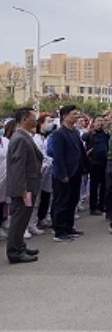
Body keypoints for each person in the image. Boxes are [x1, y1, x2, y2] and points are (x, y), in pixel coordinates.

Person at [5, 108, 42, 264]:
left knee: (23, 219)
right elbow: (18, 166)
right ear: (25, 119)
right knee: (18, 220)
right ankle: (14, 252)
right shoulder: (20, 138)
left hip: (28, 185)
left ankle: (20, 246)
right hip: (24, 187)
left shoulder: (24, 136)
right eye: (33, 117)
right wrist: (22, 188)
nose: (36, 120)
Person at [49, 105, 87, 242]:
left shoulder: (75, 132)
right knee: (62, 202)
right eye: (73, 114)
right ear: (65, 116)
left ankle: (69, 227)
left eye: (77, 114)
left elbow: (80, 151)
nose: (77, 116)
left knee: (72, 201)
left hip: (76, 172)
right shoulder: (59, 134)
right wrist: (62, 174)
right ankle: (59, 231)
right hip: (64, 174)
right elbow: (58, 156)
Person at [83, 116, 110, 216]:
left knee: (104, 185)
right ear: (93, 123)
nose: (100, 123)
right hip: (93, 163)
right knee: (94, 185)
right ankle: (93, 207)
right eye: (98, 121)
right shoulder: (89, 135)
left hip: (104, 162)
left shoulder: (106, 135)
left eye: (102, 121)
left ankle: (102, 205)